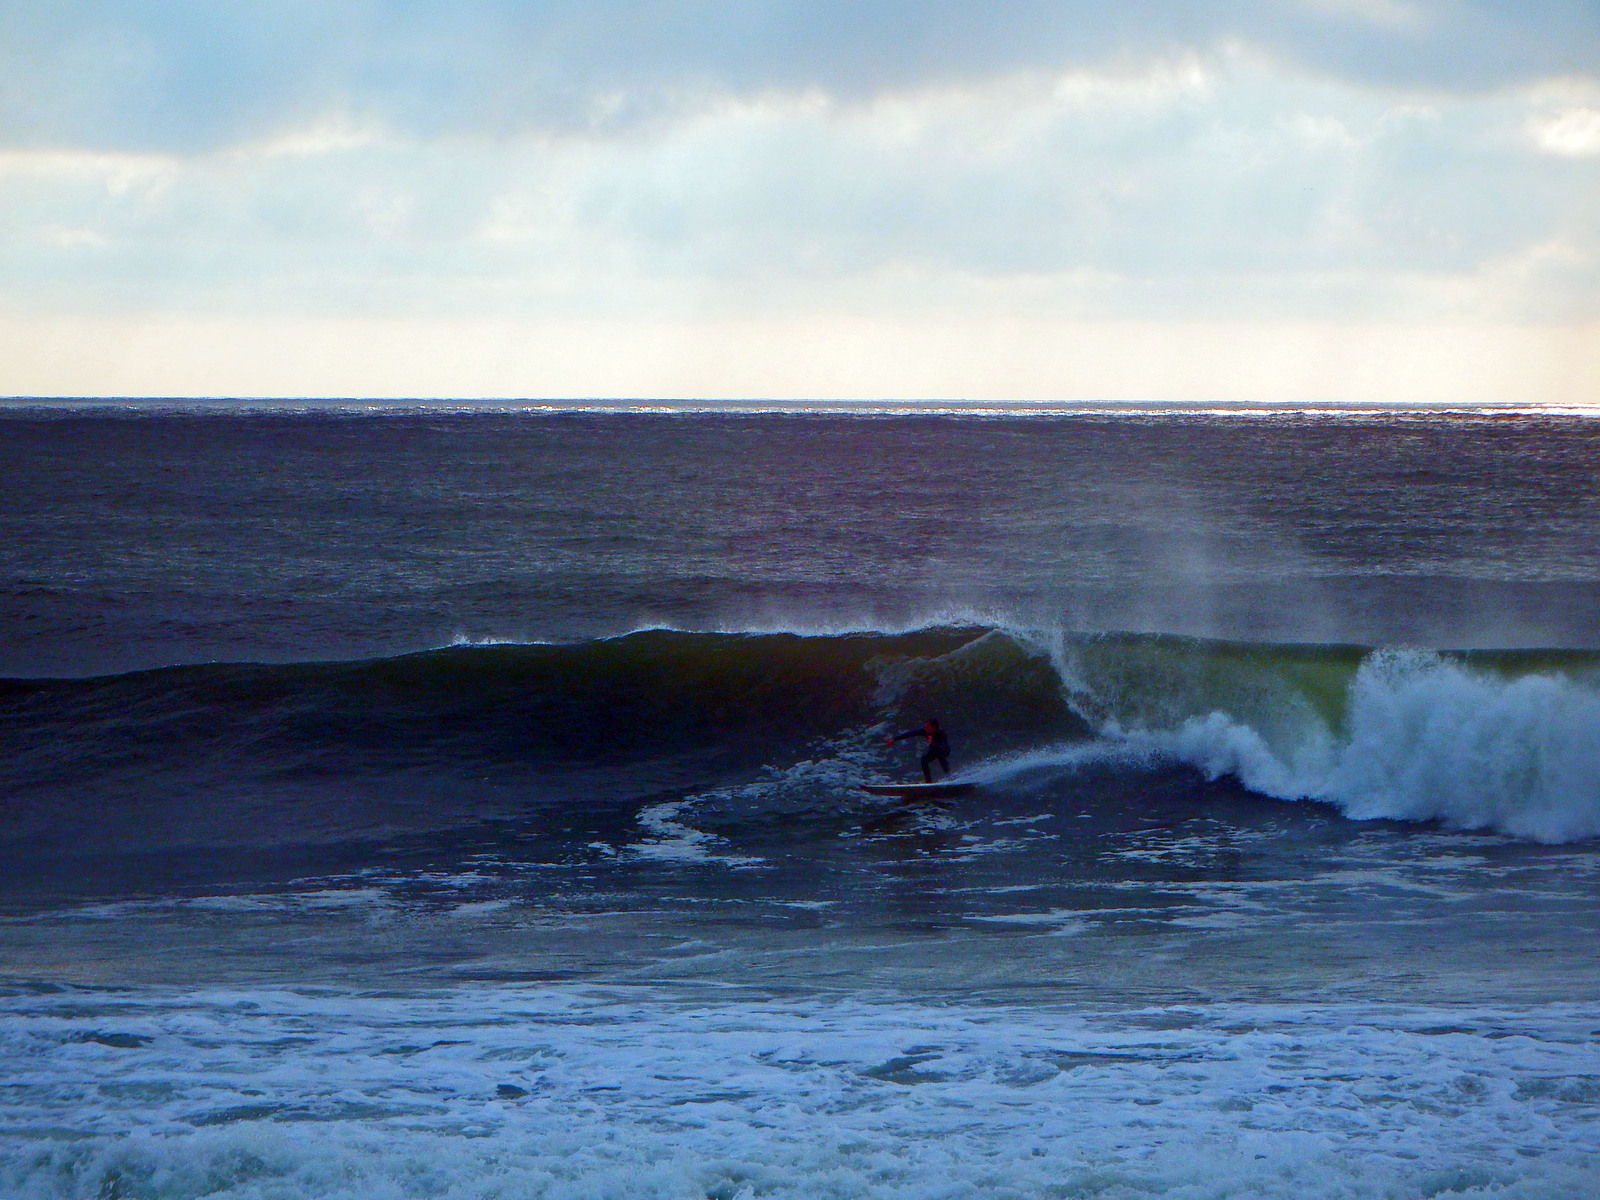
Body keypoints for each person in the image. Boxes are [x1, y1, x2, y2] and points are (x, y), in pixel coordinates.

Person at [888, 718, 951, 782]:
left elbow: (944, 745)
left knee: (940, 755)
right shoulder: (925, 731)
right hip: (934, 750)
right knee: (924, 760)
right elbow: (910, 733)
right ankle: (928, 782)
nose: (925, 727)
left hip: (944, 750)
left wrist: (933, 741)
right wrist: (894, 739)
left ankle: (948, 775)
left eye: (927, 726)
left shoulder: (941, 733)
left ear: (933, 727)